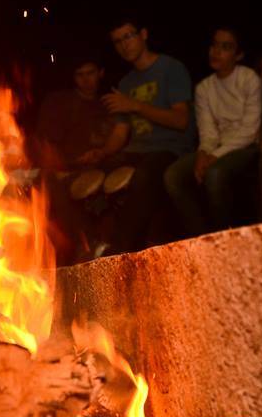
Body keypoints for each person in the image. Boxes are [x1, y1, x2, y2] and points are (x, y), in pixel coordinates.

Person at [100, 16, 195, 253]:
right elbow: (120, 133)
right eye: (117, 41)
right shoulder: (125, 83)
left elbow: (181, 120)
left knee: (144, 176)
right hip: (136, 152)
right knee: (85, 178)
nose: (124, 45)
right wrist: (100, 153)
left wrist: (135, 105)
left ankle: (120, 251)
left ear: (143, 34)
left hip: (169, 150)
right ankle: (88, 248)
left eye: (128, 36)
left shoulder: (171, 68)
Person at [164, 27, 262, 235]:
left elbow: (249, 130)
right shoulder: (204, 88)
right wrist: (203, 153)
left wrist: (214, 157)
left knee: (215, 174)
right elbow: (208, 131)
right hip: (217, 147)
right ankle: (200, 235)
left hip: (247, 146)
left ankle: (223, 236)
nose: (216, 51)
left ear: (239, 54)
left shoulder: (249, 79)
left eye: (225, 47)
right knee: (174, 175)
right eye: (214, 45)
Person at [35, 59, 120, 263]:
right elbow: (46, 144)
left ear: (100, 72)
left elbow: (118, 138)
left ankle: (105, 247)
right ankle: (79, 248)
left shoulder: (108, 104)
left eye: (90, 73)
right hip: (67, 167)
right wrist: (63, 164)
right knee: (52, 184)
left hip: (100, 165)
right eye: (79, 75)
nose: (85, 80)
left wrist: (100, 154)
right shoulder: (61, 103)